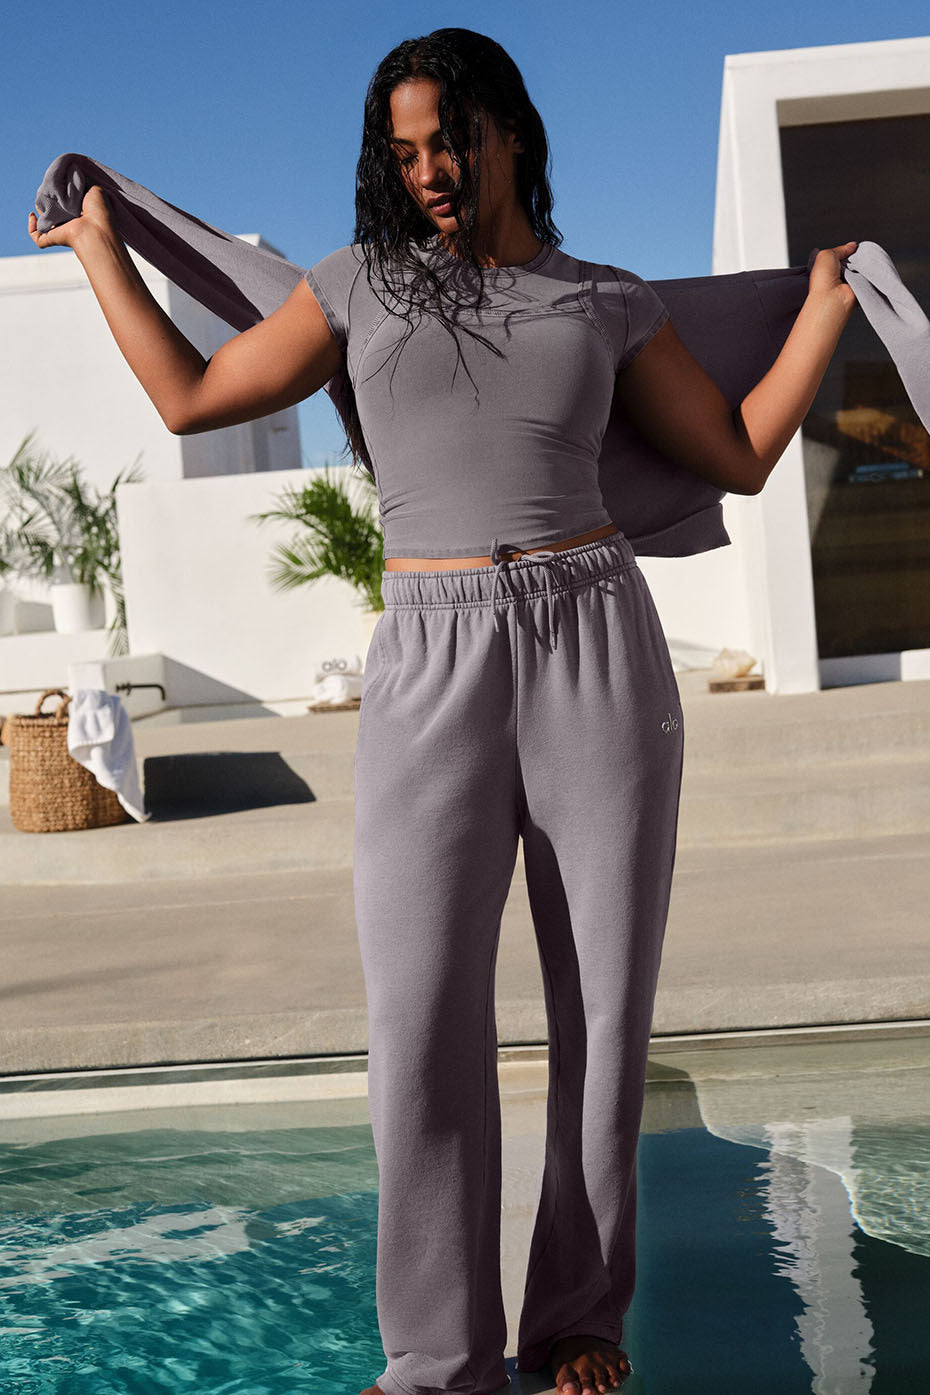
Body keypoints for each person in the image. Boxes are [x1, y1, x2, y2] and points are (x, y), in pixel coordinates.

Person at [28, 26, 857, 1395]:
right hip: (429, 653)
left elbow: (736, 454)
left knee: (603, 1008)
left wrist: (822, 308)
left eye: (449, 141)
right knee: (418, 1014)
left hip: (594, 637)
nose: (427, 170)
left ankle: (579, 1318)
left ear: (509, 133)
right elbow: (191, 399)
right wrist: (101, 249)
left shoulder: (603, 298)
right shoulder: (354, 285)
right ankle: (436, 1354)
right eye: (403, 150)